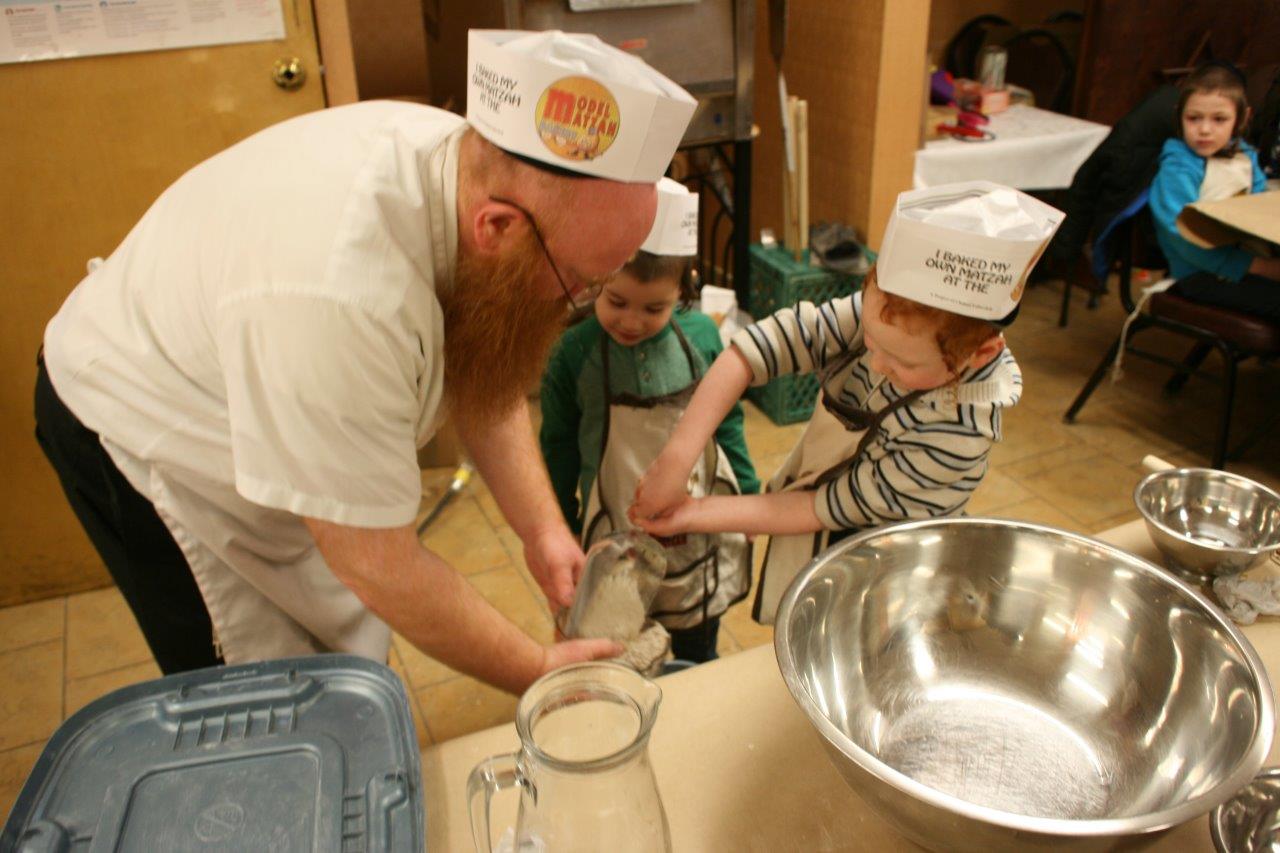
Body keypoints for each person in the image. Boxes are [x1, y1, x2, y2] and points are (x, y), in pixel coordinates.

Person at [34, 30, 696, 694]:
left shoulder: (466, 169)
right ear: (496, 228)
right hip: (141, 431)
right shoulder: (339, 292)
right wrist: (535, 669)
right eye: (580, 281)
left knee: (325, 656)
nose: (575, 306)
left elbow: (484, 372)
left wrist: (543, 531)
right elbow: (376, 562)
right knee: (249, 699)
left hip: (271, 369)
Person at [631, 182, 1063, 624]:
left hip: (884, 567)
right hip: (822, 517)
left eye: (899, 362)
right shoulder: (888, 313)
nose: (875, 362)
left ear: (981, 354)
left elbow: (824, 506)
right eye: (871, 340)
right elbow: (756, 350)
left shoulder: (957, 433)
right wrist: (676, 460)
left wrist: (693, 514)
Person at [539, 178, 759, 662]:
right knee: (620, 650)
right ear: (596, 280)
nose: (632, 321)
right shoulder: (573, 355)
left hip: (693, 534)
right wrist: (560, 528)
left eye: (654, 308)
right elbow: (556, 448)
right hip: (612, 533)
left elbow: (727, 425)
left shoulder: (702, 338)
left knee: (697, 653)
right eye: (616, 301)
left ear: (683, 290)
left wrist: (748, 493)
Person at [1149, 62, 1280, 321]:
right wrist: (1262, 267)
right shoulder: (1177, 170)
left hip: (1250, 258)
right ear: (1179, 116)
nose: (1205, 129)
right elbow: (1185, 240)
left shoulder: (1245, 156)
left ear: (1242, 118)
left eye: (1219, 119)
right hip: (1200, 274)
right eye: (1193, 118)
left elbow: (1258, 209)